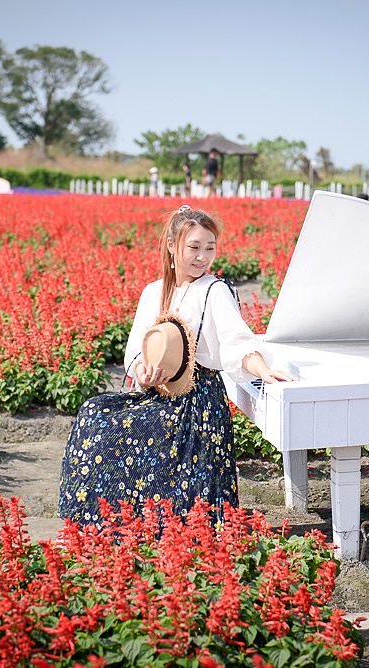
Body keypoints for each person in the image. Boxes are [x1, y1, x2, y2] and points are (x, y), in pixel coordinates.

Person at [59, 205, 295, 525]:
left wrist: (263, 370)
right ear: (173, 246)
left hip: (199, 402)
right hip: (160, 394)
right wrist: (144, 373)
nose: (203, 257)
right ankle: (108, 519)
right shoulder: (152, 292)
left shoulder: (214, 290)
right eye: (194, 247)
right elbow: (137, 352)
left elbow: (237, 342)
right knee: (94, 413)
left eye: (210, 248)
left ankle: (162, 523)